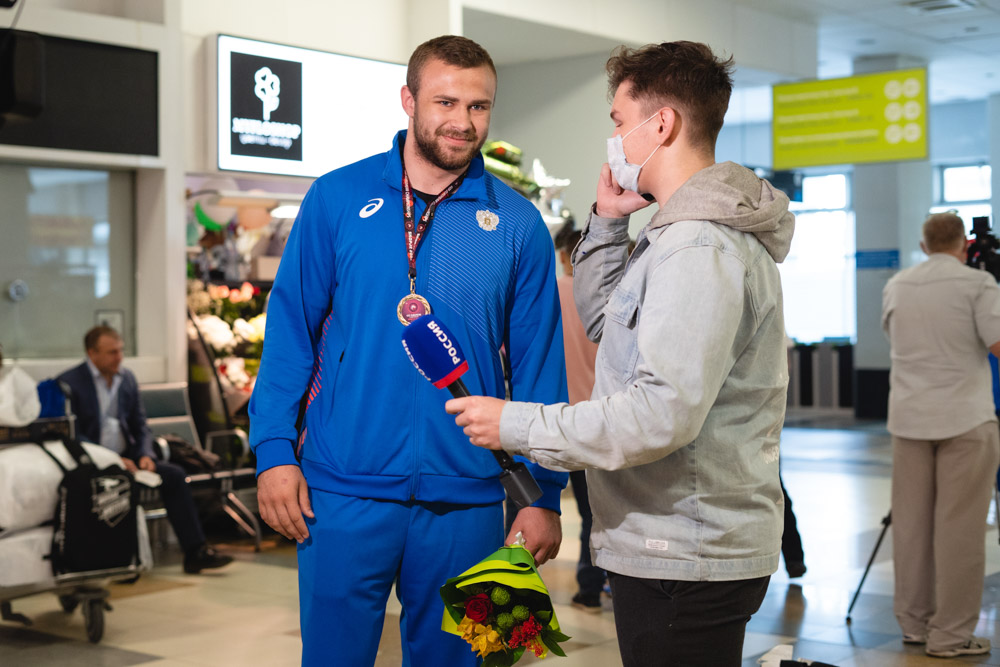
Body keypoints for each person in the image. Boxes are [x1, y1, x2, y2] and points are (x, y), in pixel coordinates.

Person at [448, 40, 795, 666]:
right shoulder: (674, 234)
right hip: (669, 543)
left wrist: (515, 423)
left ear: (659, 124)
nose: (614, 137)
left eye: (617, 120)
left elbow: (662, 413)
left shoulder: (698, 247)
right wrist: (608, 223)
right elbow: (612, 325)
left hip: (684, 550)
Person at [248, 35, 568, 666]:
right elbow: (291, 331)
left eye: (479, 107)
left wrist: (545, 499)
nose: (463, 121)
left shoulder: (519, 222)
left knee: (485, 659)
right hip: (340, 492)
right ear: (408, 100)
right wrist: (273, 454)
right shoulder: (336, 198)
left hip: (477, 497)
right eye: (446, 101)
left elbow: (540, 367)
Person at [881, 212, 1000, 659]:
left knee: (910, 529)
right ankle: (950, 636)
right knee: (960, 532)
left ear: (924, 245)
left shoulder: (898, 285)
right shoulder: (978, 285)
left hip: (909, 422)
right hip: (965, 422)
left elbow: (896, 340)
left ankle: (914, 625)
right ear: (965, 246)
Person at [58, 326, 233, 574]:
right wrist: (113, 459)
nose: (119, 357)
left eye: (120, 351)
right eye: (112, 352)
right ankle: (115, 559)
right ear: (92, 353)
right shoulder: (69, 383)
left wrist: (145, 455)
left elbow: (140, 426)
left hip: (129, 459)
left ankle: (196, 551)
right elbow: (75, 435)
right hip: (94, 464)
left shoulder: (126, 379)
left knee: (173, 475)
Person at [553, 220, 606, 612]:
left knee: (525, 507)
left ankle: (510, 604)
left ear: (562, 257)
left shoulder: (550, 292)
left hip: (547, 419)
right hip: (596, 420)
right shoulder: (609, 298)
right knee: (593, 512)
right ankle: (591, 586)